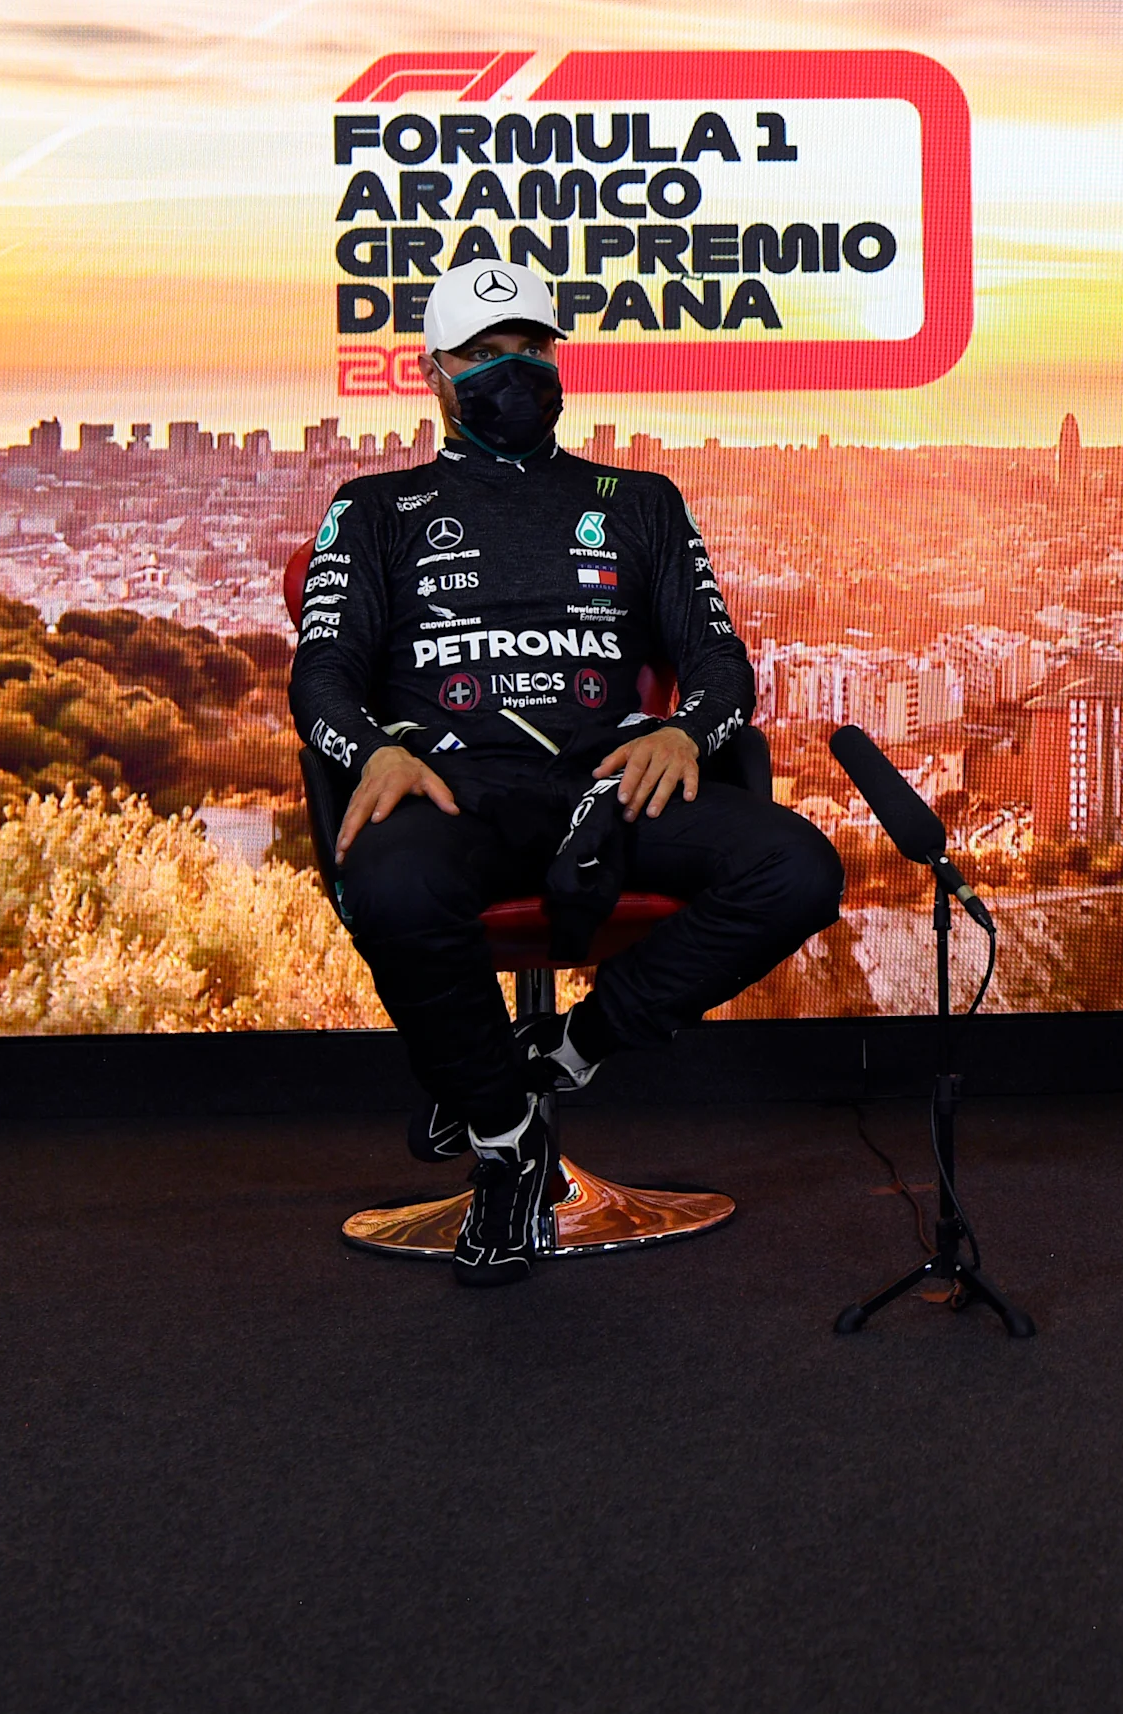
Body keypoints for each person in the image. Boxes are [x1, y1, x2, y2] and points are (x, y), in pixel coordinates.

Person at [289, 261, 842, 1285]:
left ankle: (567, 1048)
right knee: (391, 882)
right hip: (456, 784)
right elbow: (320, 671)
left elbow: (719, 661)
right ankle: (501, 1136)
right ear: (435, 373)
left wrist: (685, 730)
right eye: (488, 353)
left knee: (798, 870)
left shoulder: (638, 498)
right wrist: (374, 752)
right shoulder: (373, 506)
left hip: (615, 781)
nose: (517, 370)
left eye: (535, 348)